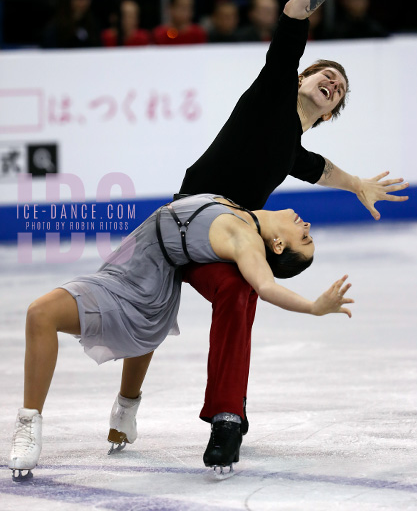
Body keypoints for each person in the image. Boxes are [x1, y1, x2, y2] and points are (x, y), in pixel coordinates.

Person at [106, 0, 413, 471]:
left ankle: (227, 420)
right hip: (182, 221)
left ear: (330, 112)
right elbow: (296, 10)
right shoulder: (274, 87)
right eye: (326, 75)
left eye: (339, 88)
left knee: (242, 294)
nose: (332, 82)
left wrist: (359, 182)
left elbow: (320, 170)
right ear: (301, 78)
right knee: (145, 313)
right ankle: (128, 403)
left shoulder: (291, 148)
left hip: (225, 242)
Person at [9, 186, 358, 480]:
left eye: (306, 238)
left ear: (278, 245)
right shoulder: (237, 208)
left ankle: (29, 426)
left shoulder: (246, 240)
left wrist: (314, 306)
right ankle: (125, 409)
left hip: (141, 286)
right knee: (55, 317)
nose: (307, 224)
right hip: (125, 264)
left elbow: (264, 286)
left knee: (41, 313)